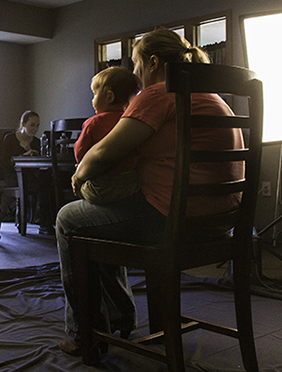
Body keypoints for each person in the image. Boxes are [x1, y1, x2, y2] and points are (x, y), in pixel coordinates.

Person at [56, 28, 244, 356]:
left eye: (135, 65)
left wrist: (79, 175)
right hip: (220, 225)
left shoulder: (160, 93)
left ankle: (86, 334)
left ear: (153, 62)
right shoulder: (214, 97)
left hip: (169, 220)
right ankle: (120, 316)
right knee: (103, 220)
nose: (134, 74)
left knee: (69, 219)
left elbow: (101, 153)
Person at [74, 67, 141, 205]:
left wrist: (80, 167)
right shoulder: (130, 121)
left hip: (103, 184)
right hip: (131, 182)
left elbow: (80, 150)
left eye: (94, 94)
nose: (92, 100)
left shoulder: (93, 122)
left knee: (82, 187)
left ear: (109, 97)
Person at [0, 110, 54, 233]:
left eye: (37, 125)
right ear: (23, 124)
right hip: (12, 175)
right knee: (43, 183)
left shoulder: (37, 142)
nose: (35, 129)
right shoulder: (10, 138)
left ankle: (43, 217)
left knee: (48, 178)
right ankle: (42, 218)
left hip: (30, 175)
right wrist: (24, 155)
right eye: (32, 125)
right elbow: (3, 162)